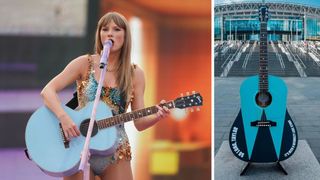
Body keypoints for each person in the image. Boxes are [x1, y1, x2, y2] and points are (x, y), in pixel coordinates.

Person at [40, 11, 170, 180]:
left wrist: (157, 116)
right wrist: (64, 118)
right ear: (99, 34)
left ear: (125, 36)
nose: (110, 33)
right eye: (105, 29)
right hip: (79, 146)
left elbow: (139, 122)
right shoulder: (83, 63)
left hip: (116, 149)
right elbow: (48, 91)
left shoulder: (135, 74)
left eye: (116, 29)